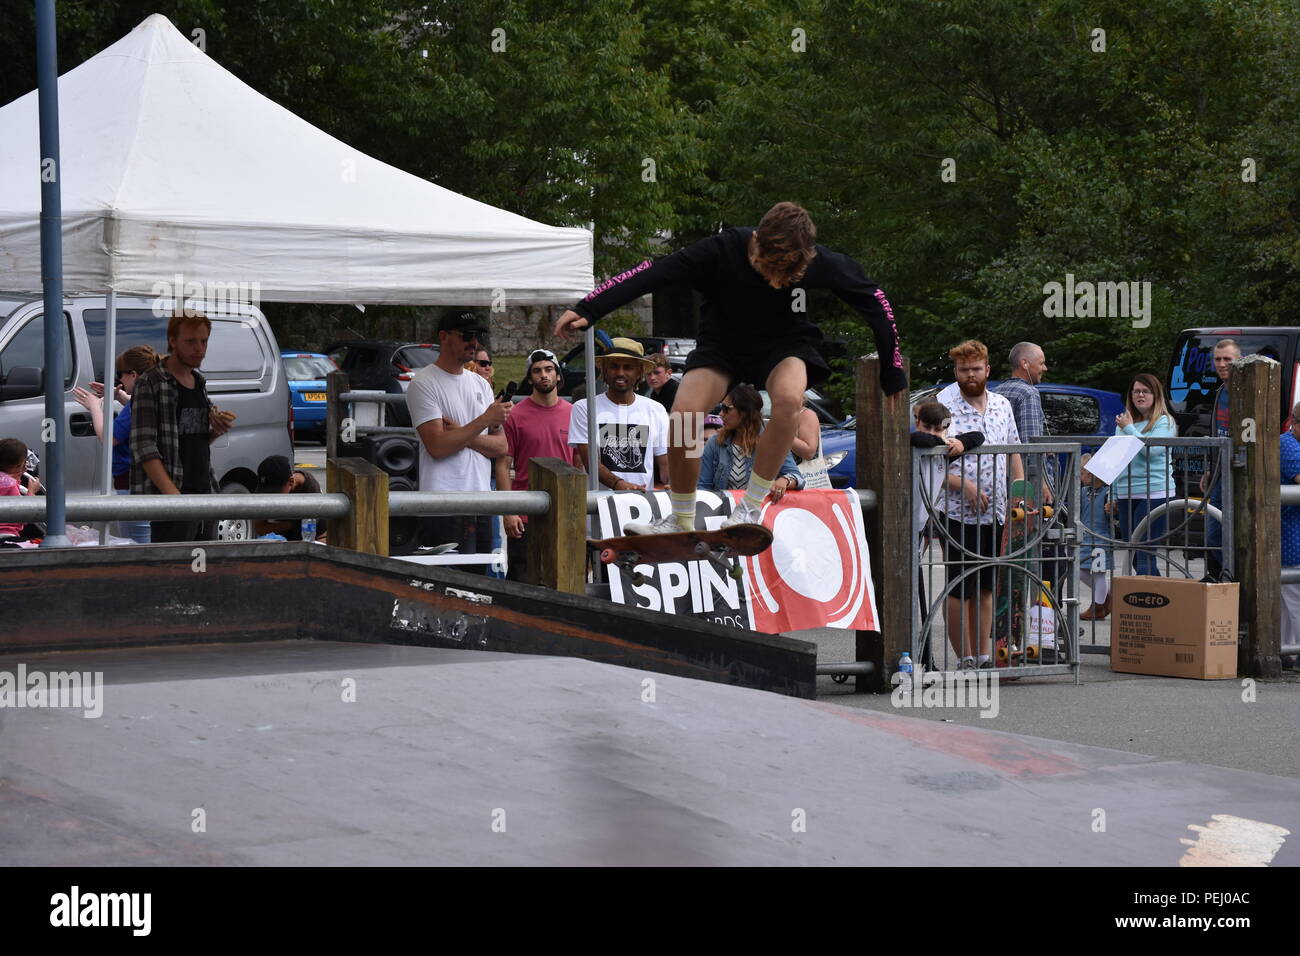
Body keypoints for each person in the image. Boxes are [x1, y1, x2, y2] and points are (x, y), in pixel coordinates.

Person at [553, 201, 906, 534]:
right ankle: (681, 515)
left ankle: (750, 508)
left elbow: (874, 300)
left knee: (787, 401)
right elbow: (653, 272)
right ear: (757, 242)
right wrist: (590, 307)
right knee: (684, 414)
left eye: (786, 276)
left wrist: (892, 368)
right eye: (770, 270)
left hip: (783, 346)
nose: (776, 282)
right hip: (722, 348)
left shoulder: (819, 261)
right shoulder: (719, 250)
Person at [935, 340, 1024, 670]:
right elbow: (930, 459)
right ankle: (965, 657)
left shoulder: (1002, 404)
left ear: (987, 369)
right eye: (963, 370)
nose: (970, 375)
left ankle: (984, 655)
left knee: (987, 583)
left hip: (997, 510)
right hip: (958, 511)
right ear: (956, 372)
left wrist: (1019, 492)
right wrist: (965, 485)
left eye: (975, 369)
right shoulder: (944, 406)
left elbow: (1014, 450)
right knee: (961, 585)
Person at [407, 311, 512, 569]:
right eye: (466, 335)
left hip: (481, 503)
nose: (473, 342)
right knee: (443, 585)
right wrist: (483, 421)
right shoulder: (423, 383)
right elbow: (438, 446)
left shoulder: (480, 383)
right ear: (444, 337)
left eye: (476, 336)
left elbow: (501, 447)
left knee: (479, 588)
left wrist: (460, 432)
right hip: (443, 504)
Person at [130, 313, 234, 543]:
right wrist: (174, 500)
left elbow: (192, 440)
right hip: (173, 496)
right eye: (190, 341)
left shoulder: (199, 381)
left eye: (204, 341)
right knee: (172, 569)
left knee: (203, 569)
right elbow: (143, 446)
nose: (199, 348)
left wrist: (215, 430)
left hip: (204, 490)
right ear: (173, 341)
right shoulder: (152, 382)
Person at [910, 399, 985, 671]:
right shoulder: (918, 442)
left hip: (921, 527)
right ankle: (917, 658)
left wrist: (958, 443)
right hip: (905, 526)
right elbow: (921, 439)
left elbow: (978, 436)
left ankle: (925, 659)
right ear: (917, 422)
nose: (931, 433)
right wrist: (941, 439)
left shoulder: (945, 445)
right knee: (911, 598)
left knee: (918, 596)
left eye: (937, 428)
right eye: (926, 426)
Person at [72, 344, 160, 544]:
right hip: (147, 481)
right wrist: (120, 396)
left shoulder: (137, 405)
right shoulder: (152, 398)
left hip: (132, 484)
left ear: (134, 375)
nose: (119, 379)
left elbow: (108, 437)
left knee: (138, 546)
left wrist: (95, 406)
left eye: (121, 374)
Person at [499, 349, 574, 582]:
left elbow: (581, 464)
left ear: (558, 375)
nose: (544, 375)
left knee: (564, 579)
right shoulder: (515, 415)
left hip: (565, 511)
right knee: (523, 580)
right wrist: (508, 511)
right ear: (530, 378)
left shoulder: (574, 414)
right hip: (525, 513)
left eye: (549, 369)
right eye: (537, 371)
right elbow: (503, 464)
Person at [569, 338, 669, 493]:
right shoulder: (584, 408)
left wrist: (674, 482)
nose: (620, 373)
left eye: (628, 367)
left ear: (639, 373)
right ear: (604, 371)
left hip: (642, 506)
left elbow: (665, 463)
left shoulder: (656, 410)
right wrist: (619, 485)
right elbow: (590, 463)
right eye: (614, 366)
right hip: (599, 508)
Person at [1110, 374, 1177, 576]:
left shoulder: (1165, 422)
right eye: (1136, 391)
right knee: (1135, 555)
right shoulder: (1123, 424)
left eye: (1145, 391)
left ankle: (1147, 602)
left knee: (1143, 552)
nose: (1140, 395)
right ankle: (1157, 600)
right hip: (1126, 493)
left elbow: (1153, 451)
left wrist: (1129, 428)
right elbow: (1117, 459)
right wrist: (1113, 493)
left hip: (1155, 493)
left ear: (1155, 395)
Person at [697, 384, 804, 499]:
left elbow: (797, 478)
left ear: (745, 413)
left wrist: (785, 480)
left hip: (761, 512)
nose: (721, 414)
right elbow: (703, 487)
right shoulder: (715, 442)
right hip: (723, 512)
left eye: (726, 409)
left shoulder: (773, 442)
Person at [994, 342, 1054, 504]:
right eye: (1041, 363)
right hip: (1026, 486)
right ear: (1024, 363)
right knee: (1031, 528)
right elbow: (1031, 445)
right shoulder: (1029, 393)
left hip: (999, 481)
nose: (1045, 368)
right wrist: (1043, 484)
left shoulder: (995, 392)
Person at [1200, 338, 1240, 580]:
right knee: (1213, 531)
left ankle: (1231, 577)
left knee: (1229, 531)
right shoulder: (1220, 391)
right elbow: (1218, 434)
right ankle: (1221, 576)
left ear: (1239, 360)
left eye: (1228, 359)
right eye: (1218, 359)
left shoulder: (1246, 390)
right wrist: (1209, 469)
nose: (1222, 363)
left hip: (1240, 470)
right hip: (1219, 472)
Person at [251, 454, 323, 541]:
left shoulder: (310, 490)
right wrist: (291, 524)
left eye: (274, 492)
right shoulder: (269, 490)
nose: (270, 497)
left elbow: (319, 533)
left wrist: (279, 526)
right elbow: (260, 528)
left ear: (291, 482)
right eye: (265, 492)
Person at [1077, 452, 1114, 620]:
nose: (1080, 476)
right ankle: (1106, 597)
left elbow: (1111, 516)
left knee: (1099, 572)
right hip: (1085, 538)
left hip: (1101, 537)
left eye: (1083, 472)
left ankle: (1098, 606)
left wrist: (1111, 510)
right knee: (1080, 570)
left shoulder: (1107, 492)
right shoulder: (1083, 491)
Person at [1280, 403, 1300, 658]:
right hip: (1289, 537)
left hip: (1292, 535)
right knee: (1294, 598)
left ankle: (1286, 652)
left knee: (1287, 602)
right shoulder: (1287, 444)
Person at [0, 438, 40, 540]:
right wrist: (31, 492)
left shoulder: (7, 481)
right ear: (19, 464)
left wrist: (18, 475)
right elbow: (23, 515)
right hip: (6, 534)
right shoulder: (11, 485)